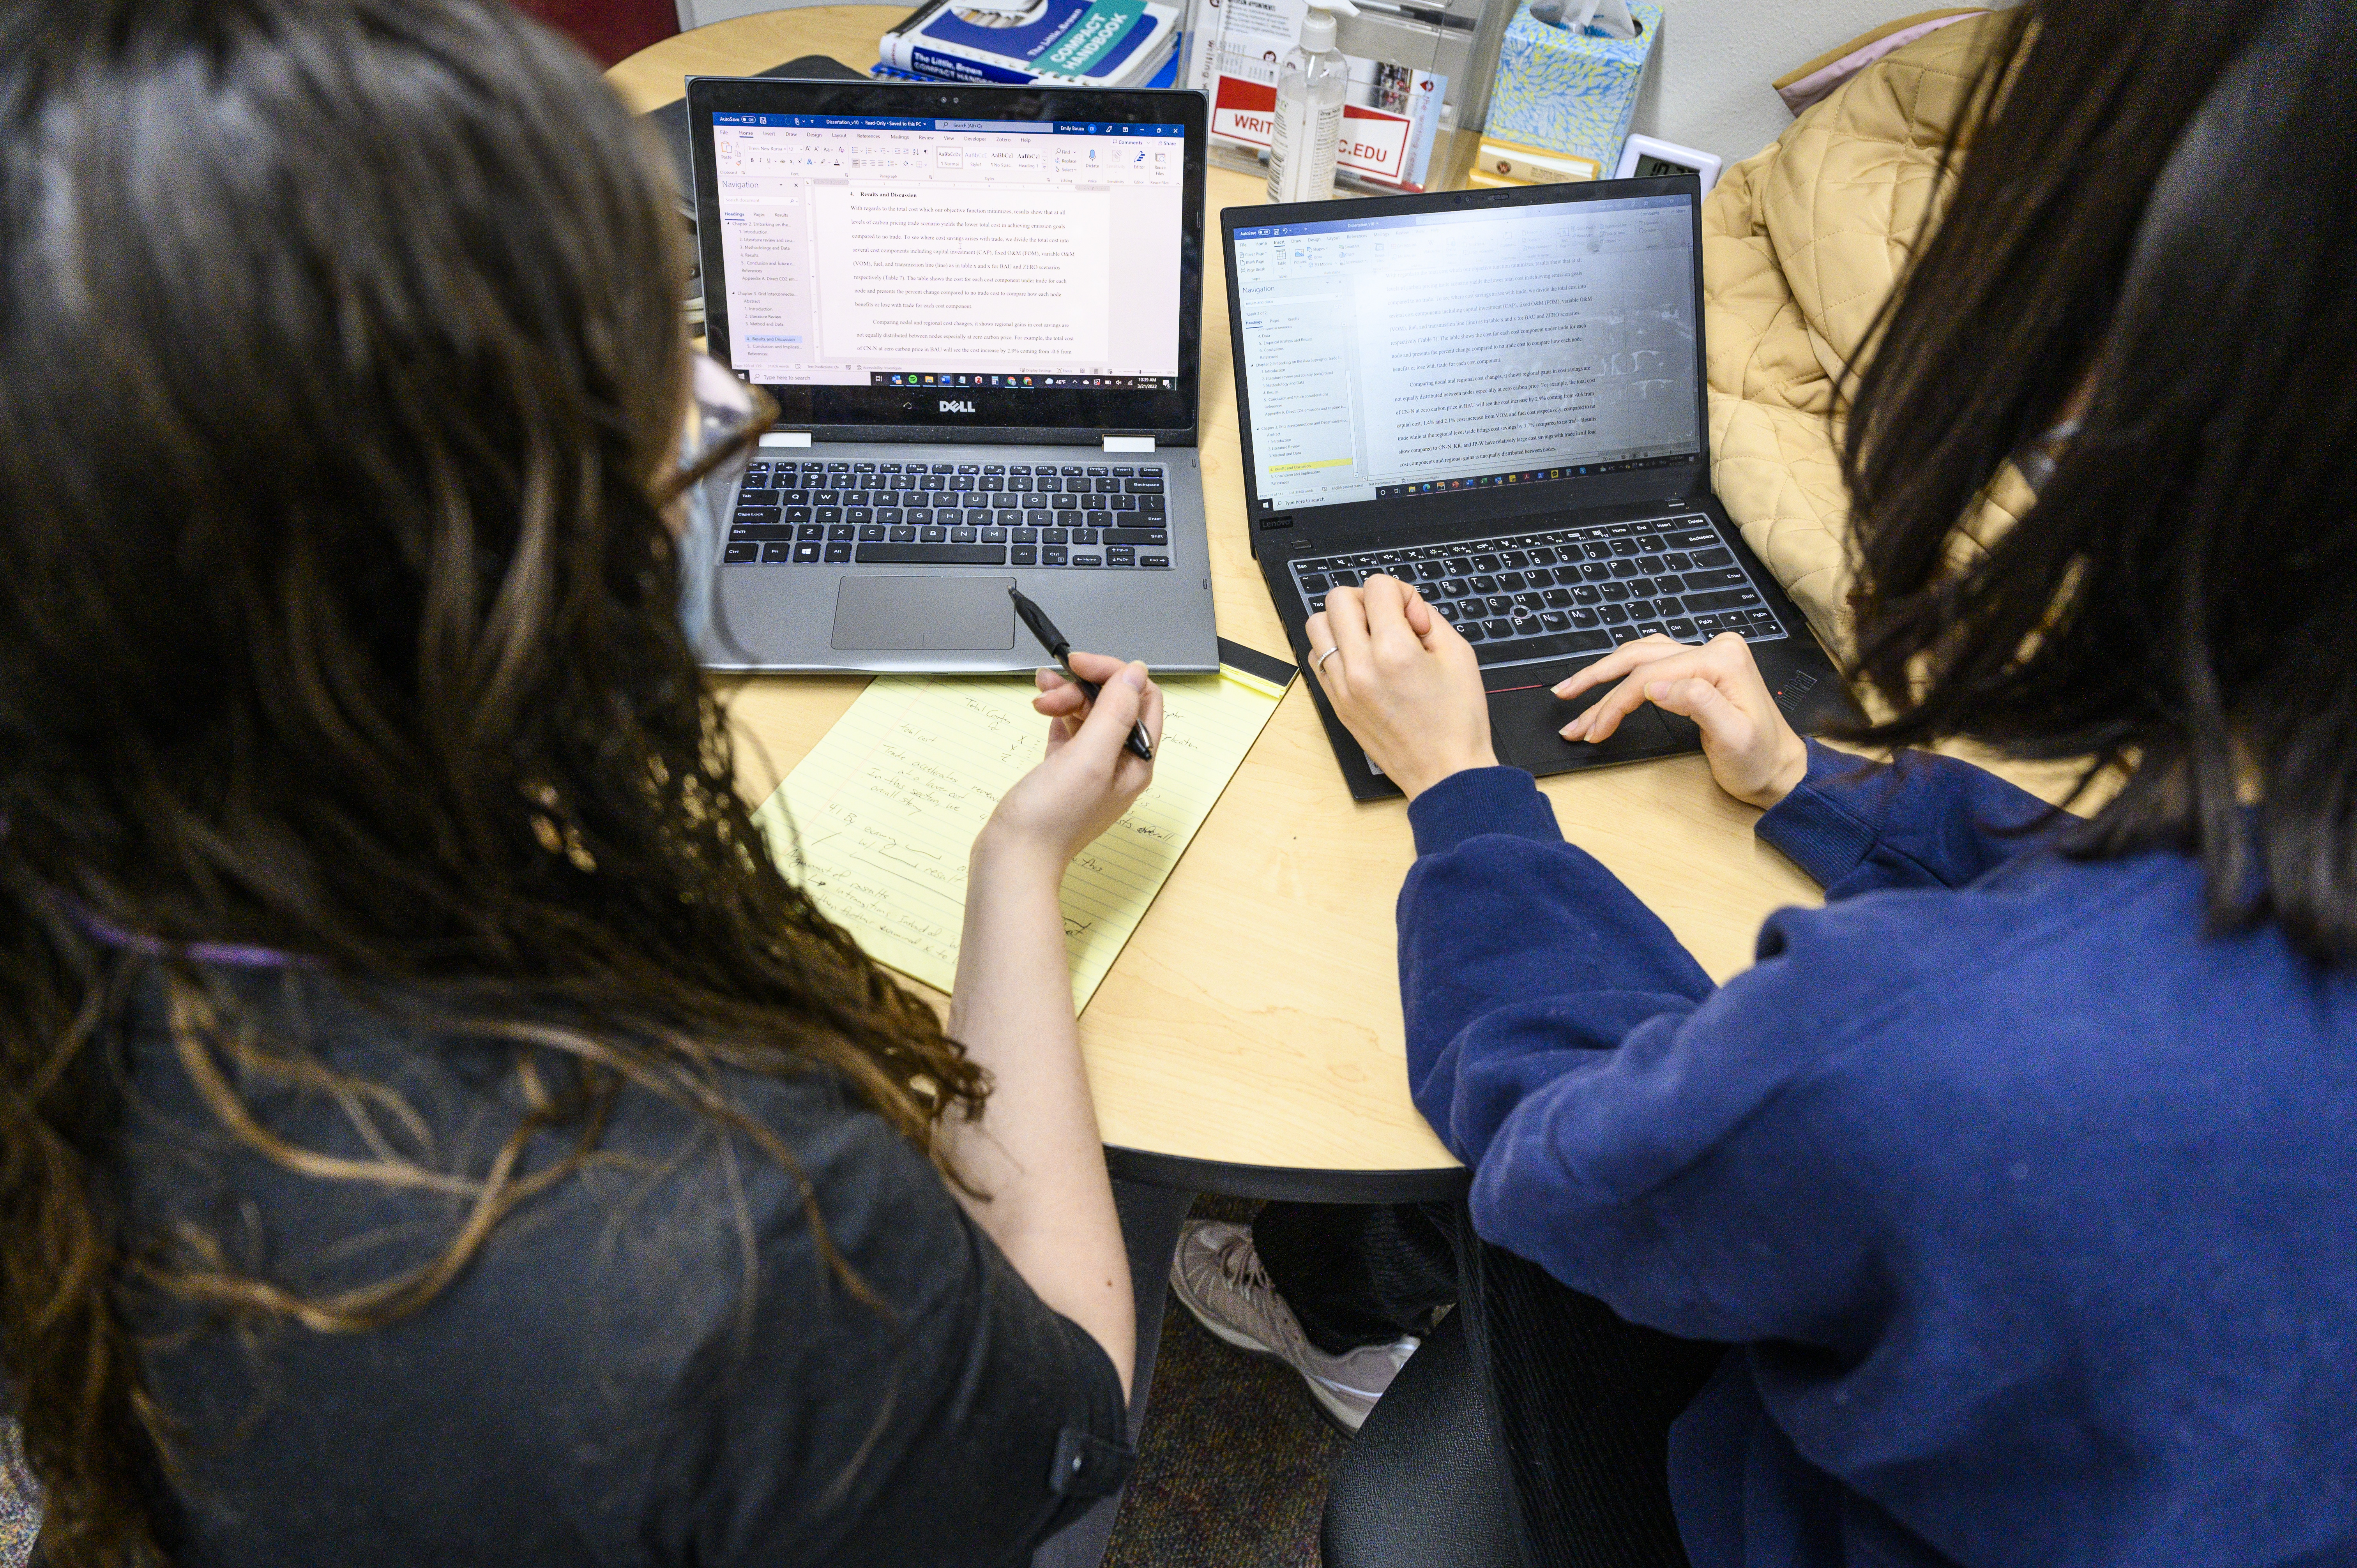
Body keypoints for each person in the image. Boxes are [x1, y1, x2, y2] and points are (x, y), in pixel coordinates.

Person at [1178, 0, 2357, 1562]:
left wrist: (1462, 783)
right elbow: (2130, 879)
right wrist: (1817, 781)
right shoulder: (2268, 862)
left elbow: (1562, 1148)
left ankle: (1330, 1295)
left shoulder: (1927, 1044)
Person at [0, 3, 1167, 1564]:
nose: (732, 404)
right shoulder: (730, 1228)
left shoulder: (81, 890)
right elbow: (1075, 1391)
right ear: (441, 578)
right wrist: (1021, 871)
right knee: (1133, 1192)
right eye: (638, 385)